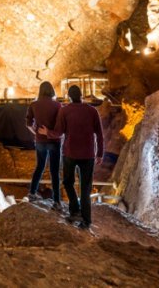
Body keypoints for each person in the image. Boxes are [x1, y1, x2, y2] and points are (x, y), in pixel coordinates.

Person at [40, 85, 104, 230]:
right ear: (81, 95)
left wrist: (46, 132)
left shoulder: (65, 111)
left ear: (69, 97)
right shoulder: (92, 111)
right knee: (85, 188)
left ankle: (75, 211)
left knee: (68, 183)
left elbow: (58, 133)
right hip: (88, 155)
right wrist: (100, 153)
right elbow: (99, 134)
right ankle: (86, 221)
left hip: (70, 153)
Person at [25, 81, 62, 210]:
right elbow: (60, 126)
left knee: (39, 167)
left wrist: (36, 132)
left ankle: (32, 193)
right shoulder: (58, 105)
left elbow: (28, 123)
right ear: (52, 90)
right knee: (54, 171)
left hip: (40, 141)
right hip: (54, 141)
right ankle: (57, 201)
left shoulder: (34, 105)